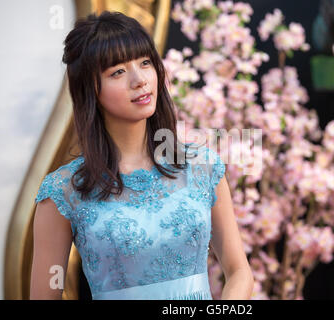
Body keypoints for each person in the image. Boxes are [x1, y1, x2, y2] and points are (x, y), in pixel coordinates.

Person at [29, 11, 253, 300]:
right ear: (90, 89)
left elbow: (238, 271)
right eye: (117, 72)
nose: (139, 80)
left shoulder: (203, 167)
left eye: (145, 63)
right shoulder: (63, 191)